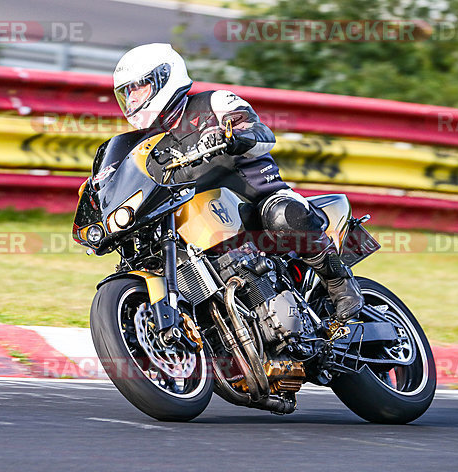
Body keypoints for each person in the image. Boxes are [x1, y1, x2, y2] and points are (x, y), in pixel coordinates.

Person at [113, 43, 363, 322]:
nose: (132, 99)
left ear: (164, 78)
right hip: (201, 218)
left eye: (138, 88)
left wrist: (233, 137)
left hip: (257, 200)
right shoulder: (151, 148)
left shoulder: (214, 103)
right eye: (127, 93)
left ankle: (340, 284)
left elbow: (262, 133)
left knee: (281, 215)